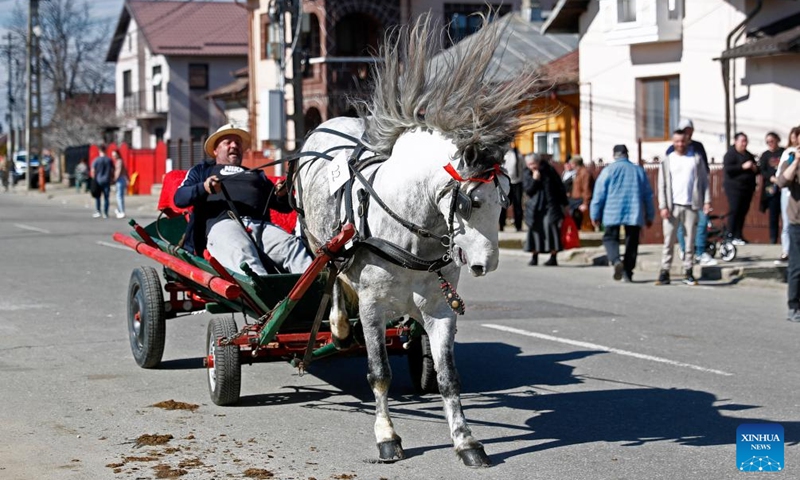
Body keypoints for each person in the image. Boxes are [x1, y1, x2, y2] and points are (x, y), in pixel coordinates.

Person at [174, 123, 312, 276]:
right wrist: (204, 188)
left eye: (238, 143)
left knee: (292, 247)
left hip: (261, 227)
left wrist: (281, 195)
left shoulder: (256, 175)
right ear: (215, 150)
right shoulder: (202, 171)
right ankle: (267, 297)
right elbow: (180, 198)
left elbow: (284, 208)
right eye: (228, 142)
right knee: (243, 252)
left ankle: (316, 294)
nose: (234, 146)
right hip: (223, 226)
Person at [590, 145, 655, 282]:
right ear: (627, 154)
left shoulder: (607, 171)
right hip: (634, 211)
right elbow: (648, 195)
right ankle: (627, 272)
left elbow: (599, 195)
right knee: (632, 241)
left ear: (614, 155)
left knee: (610, 238)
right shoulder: (638, 171)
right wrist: (649, 215)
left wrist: (595, 215)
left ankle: (615, 260)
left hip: (612, 212)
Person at [656, 130, 711, 286]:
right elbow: (662, 185)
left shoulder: (695, 159)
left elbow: (704, 183)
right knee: (669, 240)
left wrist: (706, 201)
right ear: (673, 142)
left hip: (690, 205)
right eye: (676, 141)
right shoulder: (668, 160)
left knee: (689, 240)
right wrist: (663, 206)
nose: (680, 144)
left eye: (682, 141)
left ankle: (689, 271)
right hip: (672, 206)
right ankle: (664, 271)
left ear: (687, 141)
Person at [666, 119, 714, 266]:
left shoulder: (697, 148)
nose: (687, 133)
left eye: (689, 130)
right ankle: (683, 249)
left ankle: (699, 252)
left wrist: (706, 198)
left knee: (702, 221)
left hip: (696, 194)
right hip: (678, 195)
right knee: (681, 226)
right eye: (684, 130)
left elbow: (705, 170)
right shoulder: (671, 150)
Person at [523, 153, 569, 266]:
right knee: (535, 230)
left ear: (538, 162)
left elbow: (559, 186)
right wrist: (535, 180)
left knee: (550, 227)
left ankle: (553, 256)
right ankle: (534, 256)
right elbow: (528, 191)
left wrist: (565, 203)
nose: (531, 166)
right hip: (535, 206)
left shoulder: (549, 170)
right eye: (529, 164)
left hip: (550, 204)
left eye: (533, 164)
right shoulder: (527, 173)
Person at [776, 147, 800, 322]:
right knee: (797, 268)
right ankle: (793, 306)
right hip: (797, 223)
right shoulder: (791, 160)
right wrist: (797, 160)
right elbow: (782, 181)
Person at [723, 132, 758, 245]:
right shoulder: (731, 154)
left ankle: (738, 235)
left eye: (746, 141)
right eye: (742, 141)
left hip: (747, 188)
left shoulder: (748, 155)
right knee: (735, 210)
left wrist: (754, 167)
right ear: (736, 141)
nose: (744, 144)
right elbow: (729, 169)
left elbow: (757, 169)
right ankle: (730, 235)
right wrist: (742, 167)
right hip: (734, 188)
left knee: (743, 211)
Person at [776, 127, 800, 263]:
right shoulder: (790, 154)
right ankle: (786, 250)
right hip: (789, 193)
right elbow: (781, 178)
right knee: (787, 223)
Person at [759, 132, 784, 245]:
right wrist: (771, 177)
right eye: (768, 142)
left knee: (786, 215)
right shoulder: (765, 155)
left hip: (783, 187)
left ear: (777, 140)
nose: (770, 144)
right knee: (773, 215)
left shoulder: (783, 152)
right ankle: (773, 239)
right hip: (771, 188)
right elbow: (762, 171)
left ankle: (785, 240)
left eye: (772, 141)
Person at [499, 143, 524, 232]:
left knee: (518, 204)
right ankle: (501, 225)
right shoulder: (502, 153)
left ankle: (518, 226)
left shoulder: (517, 153)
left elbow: (522, 167)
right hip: (504, 183)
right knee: (503, 204)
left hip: (517, 182)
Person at [569, 155, 592, 230]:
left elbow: (586, 189)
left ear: (575, 163)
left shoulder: (584, 173)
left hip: (580, 200)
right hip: (575, 200)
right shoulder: (578, 173)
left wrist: (585, 203)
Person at [90, 146, 113, 218]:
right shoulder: (109, 160)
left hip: (98, 180)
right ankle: (105, 213)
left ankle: (98, 211)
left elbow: (93, 170)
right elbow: (112, 170)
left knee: (98, 197)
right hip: (106, 180)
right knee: (106, 197)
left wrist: (94, 178)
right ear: (105, 151)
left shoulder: (96, 160)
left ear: (99, 151)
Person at [112, 151, 129, 219]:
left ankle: (121, 211)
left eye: (114, 155)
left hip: (120, 180)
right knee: (119, 195)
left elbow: (118, 172)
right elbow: (125, 171)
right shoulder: (120, 161)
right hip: (122, 179)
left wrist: (114, 179)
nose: (113, 157)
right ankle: (119, 210)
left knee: (119, 196)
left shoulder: (119, 161)